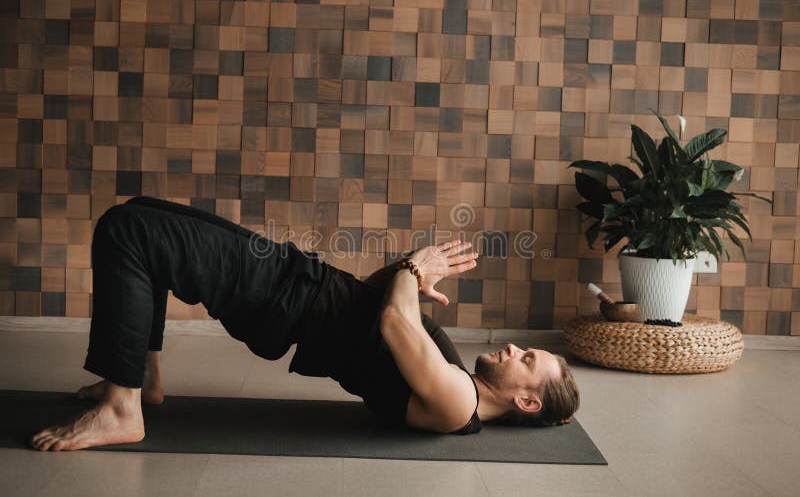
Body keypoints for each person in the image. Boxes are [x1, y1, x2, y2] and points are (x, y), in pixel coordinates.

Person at [30, 196, 579, 452]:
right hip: (296, 284)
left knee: (130, 231)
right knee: (142, 214)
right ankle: (139, 379)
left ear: (528, 402)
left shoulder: (460, 404)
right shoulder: (457, 380)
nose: (515, 347)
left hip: (284, 303)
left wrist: (414, 272)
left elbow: (391, 321)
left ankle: (122, 409)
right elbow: (376, 302)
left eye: (529, 360)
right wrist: (411, 269)